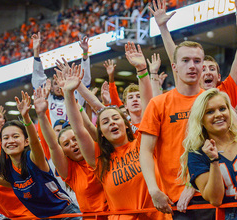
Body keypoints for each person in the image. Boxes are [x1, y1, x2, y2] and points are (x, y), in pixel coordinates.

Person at [61, 62, 169, 219]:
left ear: (126, 125)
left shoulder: (142, 143)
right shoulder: (99, 158)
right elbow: (78, 130)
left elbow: (149, 105)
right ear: (102, 134)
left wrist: (143, 71)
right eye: (105, 122)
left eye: (115, 118)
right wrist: (68, 93)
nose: (111, 122)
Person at [0, 91, 80, 219]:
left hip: (66, 214)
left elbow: (35, 142)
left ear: (26, 141)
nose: (11, 141)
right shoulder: (5, 165)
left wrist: (26, 117)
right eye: (6, 138)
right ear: (1, 142)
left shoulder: (33, 158)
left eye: (15, 136)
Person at [139, 40, 216, 219]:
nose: (192, 66)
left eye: (197, 61)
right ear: (175, 66)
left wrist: (194, 184)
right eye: (185, 60)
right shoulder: (158, 104)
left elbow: (224, 145)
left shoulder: (213, 101)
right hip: (176, 200)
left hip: (211, 192)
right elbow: (145, 151)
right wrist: (153, 190)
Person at [34, 86, 108, 218]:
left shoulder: (97, 154)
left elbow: (81, 129)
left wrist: (71, 97)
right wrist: (41, 115)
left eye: (75, 139)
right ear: (64, 153)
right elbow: (53, 145)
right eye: (66, 144)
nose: (73, 144)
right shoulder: (70, 171)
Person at [149, 0, 237, 108]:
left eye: (212, 69)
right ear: (197, 74)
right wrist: (163, 28)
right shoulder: (188, 93)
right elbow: (175, 58)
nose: (208, 72)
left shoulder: (225, 91)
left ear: (219, 77)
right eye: (203, 69)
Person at [180, 88, 237, 219]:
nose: (218, 115)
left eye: (222, 109)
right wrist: (214, 160)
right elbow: (215, 199)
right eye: (210, 112)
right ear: (201, 120)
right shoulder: (197, 153)